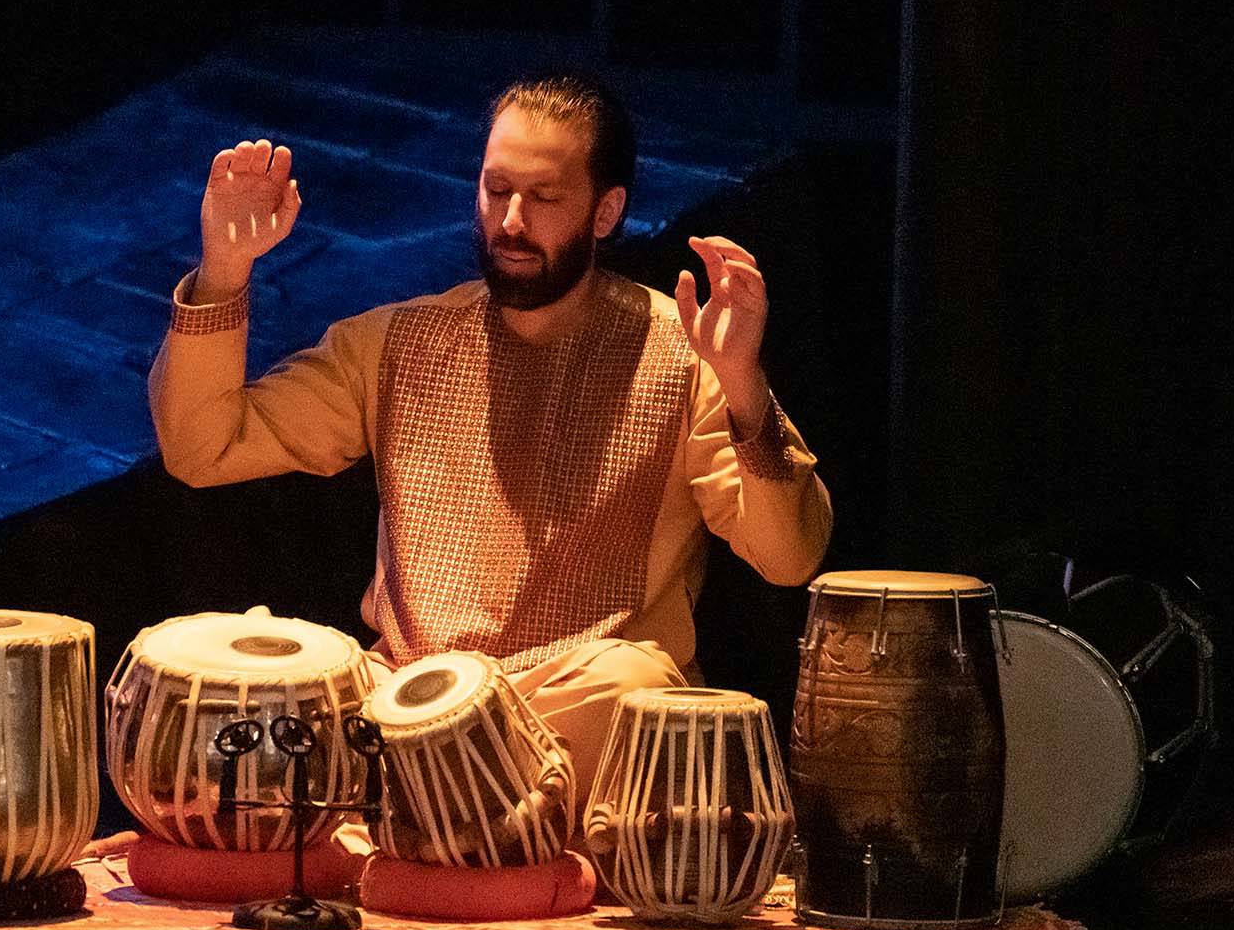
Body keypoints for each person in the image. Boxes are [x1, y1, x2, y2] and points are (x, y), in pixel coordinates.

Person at [149, 74, 832, 824]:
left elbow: (789, 555)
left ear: (606, 212)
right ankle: (434, 822)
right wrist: (223, 271)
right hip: (405, 700)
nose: (511, 220)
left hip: (576, 712)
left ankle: (451, 828)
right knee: (266, 679)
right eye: (496, 188)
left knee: (637, 693)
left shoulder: (680, 356)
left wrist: (741, 388)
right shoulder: (397, 344)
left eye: (543, 198)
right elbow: (202, 447)